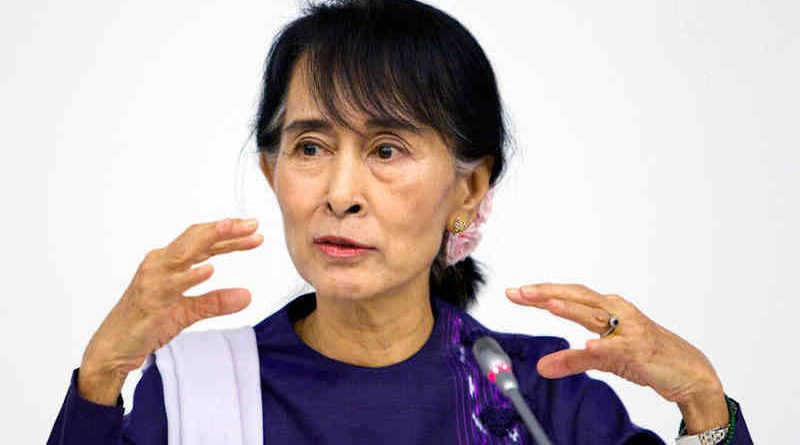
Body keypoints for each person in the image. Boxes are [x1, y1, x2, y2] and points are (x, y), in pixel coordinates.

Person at [47, 0, 754, 443]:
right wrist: (100, 383)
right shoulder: (195, 391)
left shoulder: (544, 399)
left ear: (468, 190)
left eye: (386, 148)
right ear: (272, 173)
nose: (341, 192)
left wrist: (700, 400)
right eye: (311, 147)